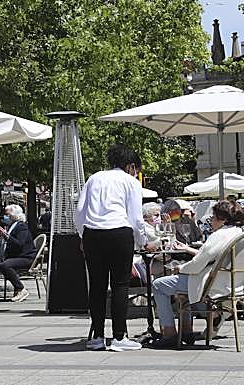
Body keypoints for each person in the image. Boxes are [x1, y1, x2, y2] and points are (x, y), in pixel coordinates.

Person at [75, 144, 156, 352]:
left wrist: (83, 235)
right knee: (120, 285)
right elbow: (136, 217)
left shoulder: (94, 178)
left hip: (93, 233)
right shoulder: (130, 182)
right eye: (136, 170)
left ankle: (98, 337)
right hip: (119, 232)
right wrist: (142, 241)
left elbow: (80, 211)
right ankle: (119, 336)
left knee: (97, 286)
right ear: (130, 166)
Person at [151, 200, 244, 348]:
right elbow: (212, 257)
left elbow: (199, 263)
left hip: (211, 284)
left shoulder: (220, 235)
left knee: (158, 285)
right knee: (180, 283)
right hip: (232, 283)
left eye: (213, 217)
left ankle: (169, 333)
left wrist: (181, 268)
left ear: (223, 220)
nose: (211, 221)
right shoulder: (238, 233)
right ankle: (186, 331)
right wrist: (189, 252)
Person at [0, 204, 36, 302]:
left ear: (14, 215)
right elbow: (5, 243)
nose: (5, 217)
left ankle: (20, 288)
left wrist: (6, 236)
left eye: (7, 214)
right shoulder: (10, 226)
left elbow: (19, 244)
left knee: (5, 265)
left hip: (25, 257)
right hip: (13, 256)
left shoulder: (21, 227)